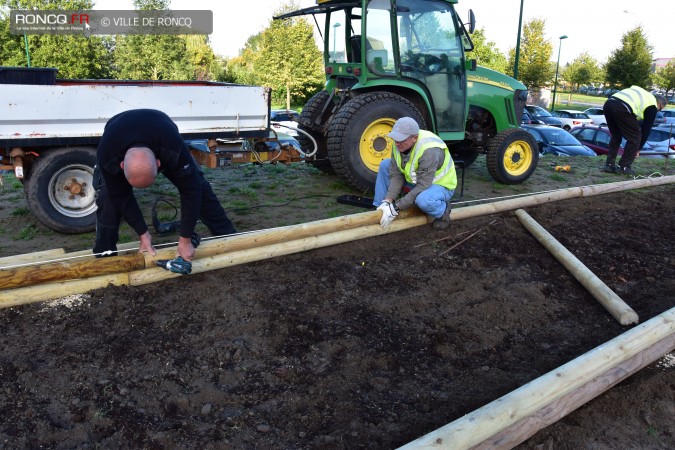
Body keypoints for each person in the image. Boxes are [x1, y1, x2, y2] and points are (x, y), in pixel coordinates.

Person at [93, 108, 237, 260]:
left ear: (159, 163)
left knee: (199, 187)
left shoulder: (172, 147)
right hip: (118, 139)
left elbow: (191, 191)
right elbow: (120, 196)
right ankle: (104, 254)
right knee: (108, 198)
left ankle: (229, 238)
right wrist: (143, 234)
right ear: (122, 166)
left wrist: (185, 240)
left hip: (161, 134)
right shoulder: (107, 155)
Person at [373, 117, 457, 230]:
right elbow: (396, 175)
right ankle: (380, 208)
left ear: (414, 138)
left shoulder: (429, 151)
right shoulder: (398, 144)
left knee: (423, 200)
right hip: (417, 180)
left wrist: (397, 207)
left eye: (401, 140)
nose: (397, 143)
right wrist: (389, 200)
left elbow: (423, 185)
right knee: (385, 165)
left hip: (440, 185)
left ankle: (443, 211)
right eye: (396, 139)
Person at [602, 86, 667, 175]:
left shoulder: (644, 96)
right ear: (659, 104)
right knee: (635, 138)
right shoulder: (652, 105)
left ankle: (609, 165)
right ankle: (624, 167)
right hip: (622, 107)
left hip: (609, 103)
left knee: (616, 135)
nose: (657, 111)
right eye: (659, 109)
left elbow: (635, 122)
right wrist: (638, 149)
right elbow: (646, 130)